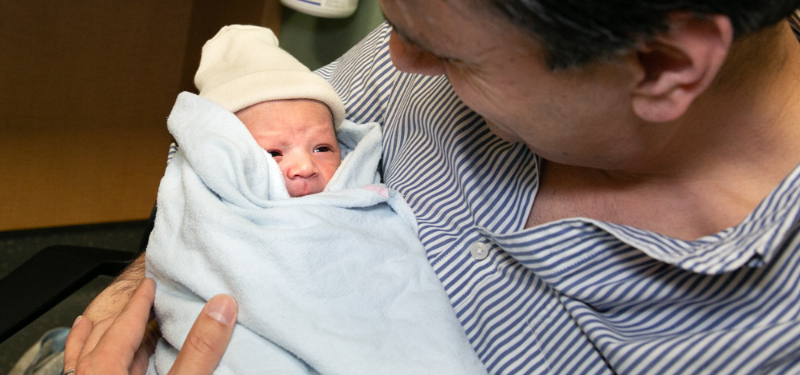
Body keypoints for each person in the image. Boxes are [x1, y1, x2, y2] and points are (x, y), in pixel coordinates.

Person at [65, 1, 800, 374]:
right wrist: (150, 285)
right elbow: (239, 149)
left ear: (661, 65)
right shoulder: (441, 38)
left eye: (445, 53)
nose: (397, 57)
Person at [144, 25, 485, 374]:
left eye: (322, 148)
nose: (305, 166)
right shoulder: (218, 211)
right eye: (274, 153)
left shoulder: (362, 201)